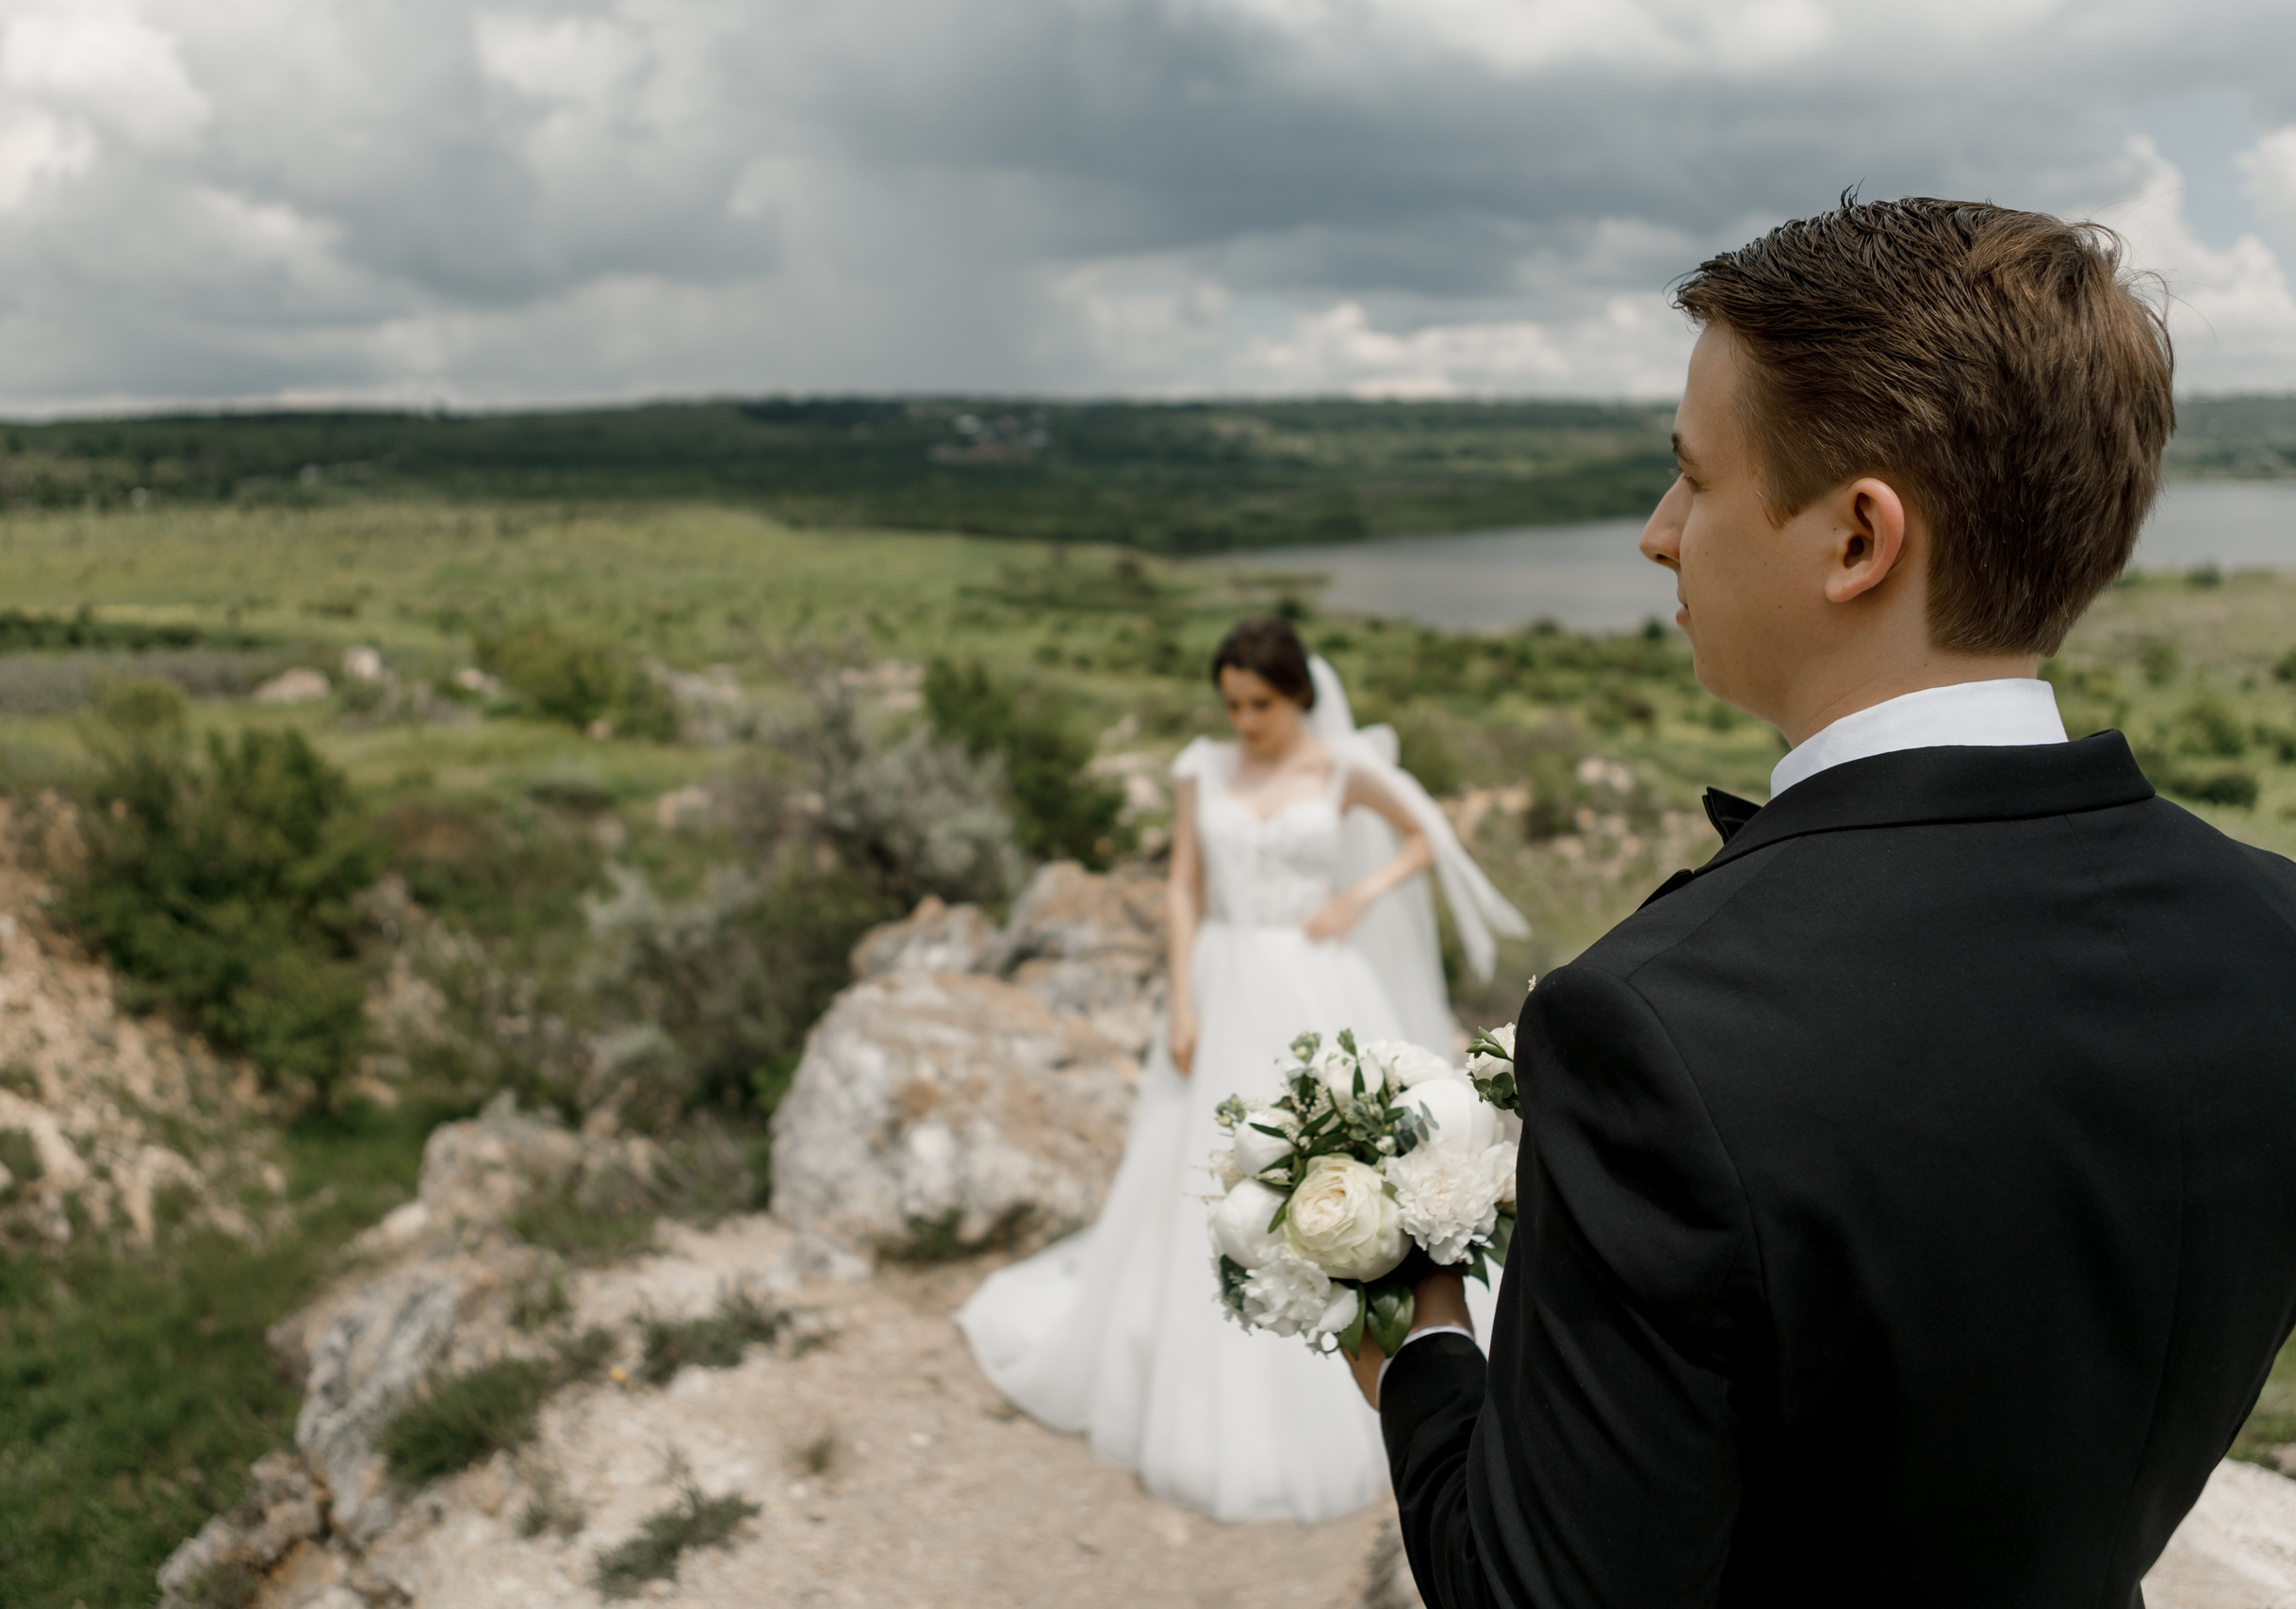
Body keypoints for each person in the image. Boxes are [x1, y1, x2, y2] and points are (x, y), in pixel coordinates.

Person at [1356, 197, 2296, 1607]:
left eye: (1693, 477)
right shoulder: (2273, 931)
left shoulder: (1655, 1031)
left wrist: (1421, 1358)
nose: (1657, 533)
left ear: (1858, 539)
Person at [955, 616, 1528, 1522]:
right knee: (1204, 1168)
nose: (1244, 720)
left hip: (1315, 975)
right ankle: (1193, 1362)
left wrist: (1357, 895)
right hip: (1223, 981)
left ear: (1297, 693)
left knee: (1343, 1161)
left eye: (1259, 702)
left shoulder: (1342, 767)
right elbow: (1184, 884)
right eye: (1231, 703)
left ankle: (1373, 1343)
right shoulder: (1201, 769)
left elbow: (1429, 835)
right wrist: (1181, 997)